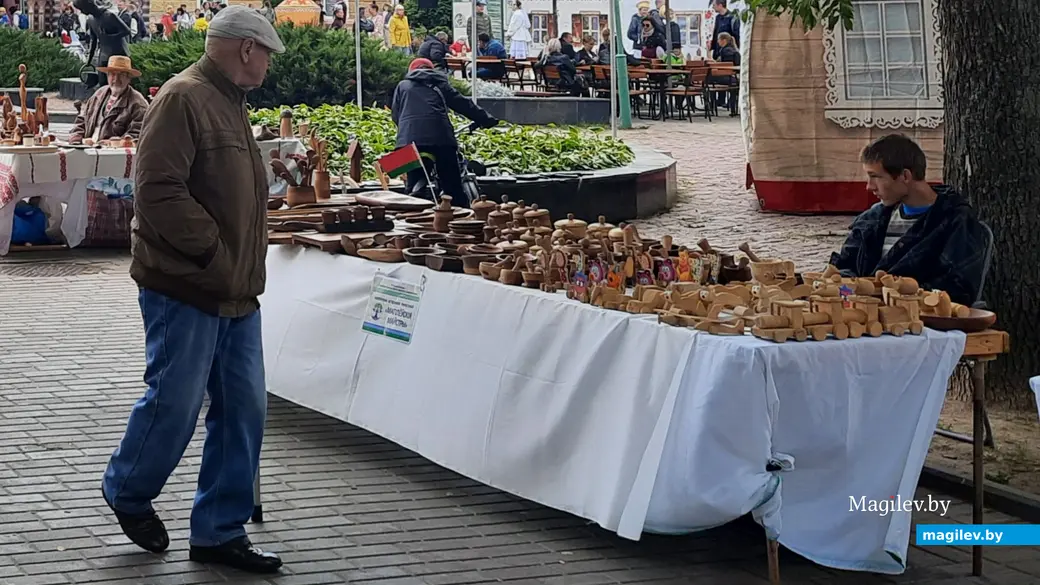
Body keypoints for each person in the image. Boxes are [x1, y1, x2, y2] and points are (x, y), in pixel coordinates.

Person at [101, 5, 286, 574]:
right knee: (174, 404)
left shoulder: (229, 101)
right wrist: (213, 252)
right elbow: (158, 190)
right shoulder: (184, 98)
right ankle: (127, 489)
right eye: (267, 53)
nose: (269, 64)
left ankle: (219, 531)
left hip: (235, 289)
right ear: (246, 49)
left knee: (243, 410)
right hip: (185, 284)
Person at [828, 135, 987, 306]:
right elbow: (844, 269)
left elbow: (959, 289)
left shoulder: (955, 221)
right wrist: (845, 297)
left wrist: (898, 296)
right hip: (860, 314)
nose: (869, 186)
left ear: (905, 176)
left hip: (918, 318)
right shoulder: (871, 220)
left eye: (875, 176)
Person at [391, 58, 498, 206]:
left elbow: (395, 115)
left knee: (412, 183)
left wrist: (407, 131)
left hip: (409, 142)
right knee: (452, 184)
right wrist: (486, 119)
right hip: (440, 139)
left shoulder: (403, 86)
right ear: (431, 70)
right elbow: (462, 104)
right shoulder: (440, 84)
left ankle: (412, 202)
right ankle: (460, 211)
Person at [69, 55, 148, 144]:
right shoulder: (98, 94)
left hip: (114, 152)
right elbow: (82, 120)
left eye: (121, 74)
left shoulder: (138, 104)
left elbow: (136, 135)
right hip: (87, 148)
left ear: (129, 78)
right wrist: (76, 139)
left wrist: (109, 144)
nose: (116, 79)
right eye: (112, 74)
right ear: (107, 76)